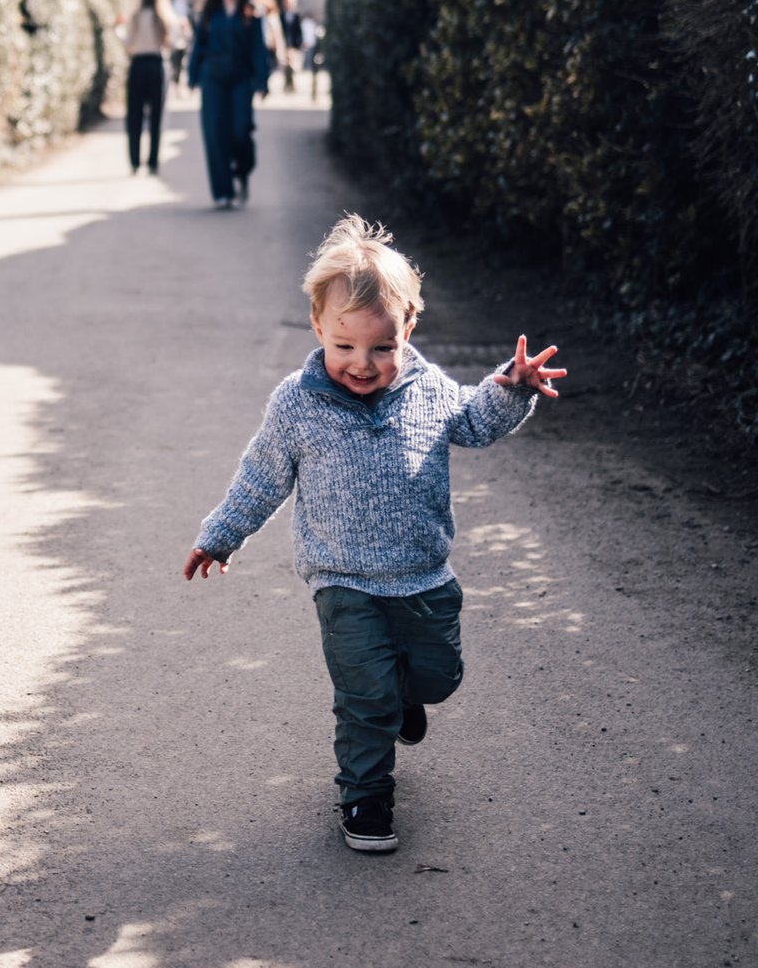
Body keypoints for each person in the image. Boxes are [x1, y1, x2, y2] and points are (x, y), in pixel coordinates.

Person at [181, 216, 564, 853]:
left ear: (407, 330)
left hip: (424, 575)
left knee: (438, 677)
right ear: (317, 329)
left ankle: (404, 699)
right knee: (364, 696)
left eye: (381, 348)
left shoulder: (427, 390)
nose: (362, 364)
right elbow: (261, 478)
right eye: (344, 347)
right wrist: (221, 534)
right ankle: (365, 797)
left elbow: (474, 421)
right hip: (343, 581)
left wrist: (510, 388)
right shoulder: (297, 404)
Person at [186, 0, 273, 208]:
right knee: (214, 134)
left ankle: (242, 171)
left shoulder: (251, 11)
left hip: (240, 77)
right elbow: (198, 46)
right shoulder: (209, 11)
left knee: (240, 131)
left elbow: (258, 48)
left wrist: (262, 81)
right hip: (212, 76)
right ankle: (222, 192)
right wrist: (192, 76)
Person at [116, 0, 179, 175]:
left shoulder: (136, 16)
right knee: (156, 117)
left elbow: (127, 42)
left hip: (137, 65)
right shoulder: (167, 17)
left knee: (134, 116)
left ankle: (134, 161)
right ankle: (153, 162)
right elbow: (176, 43)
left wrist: (116, 29)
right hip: (157, 65)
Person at [277, 0, 314, 94]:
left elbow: (299, 32)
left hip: (294, 45)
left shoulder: (297, 15)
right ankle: (286, 84)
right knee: (284, 66)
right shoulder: (281, 15)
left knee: (294, 67)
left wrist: (297, 46)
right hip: (283, 45)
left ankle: (293, 85)